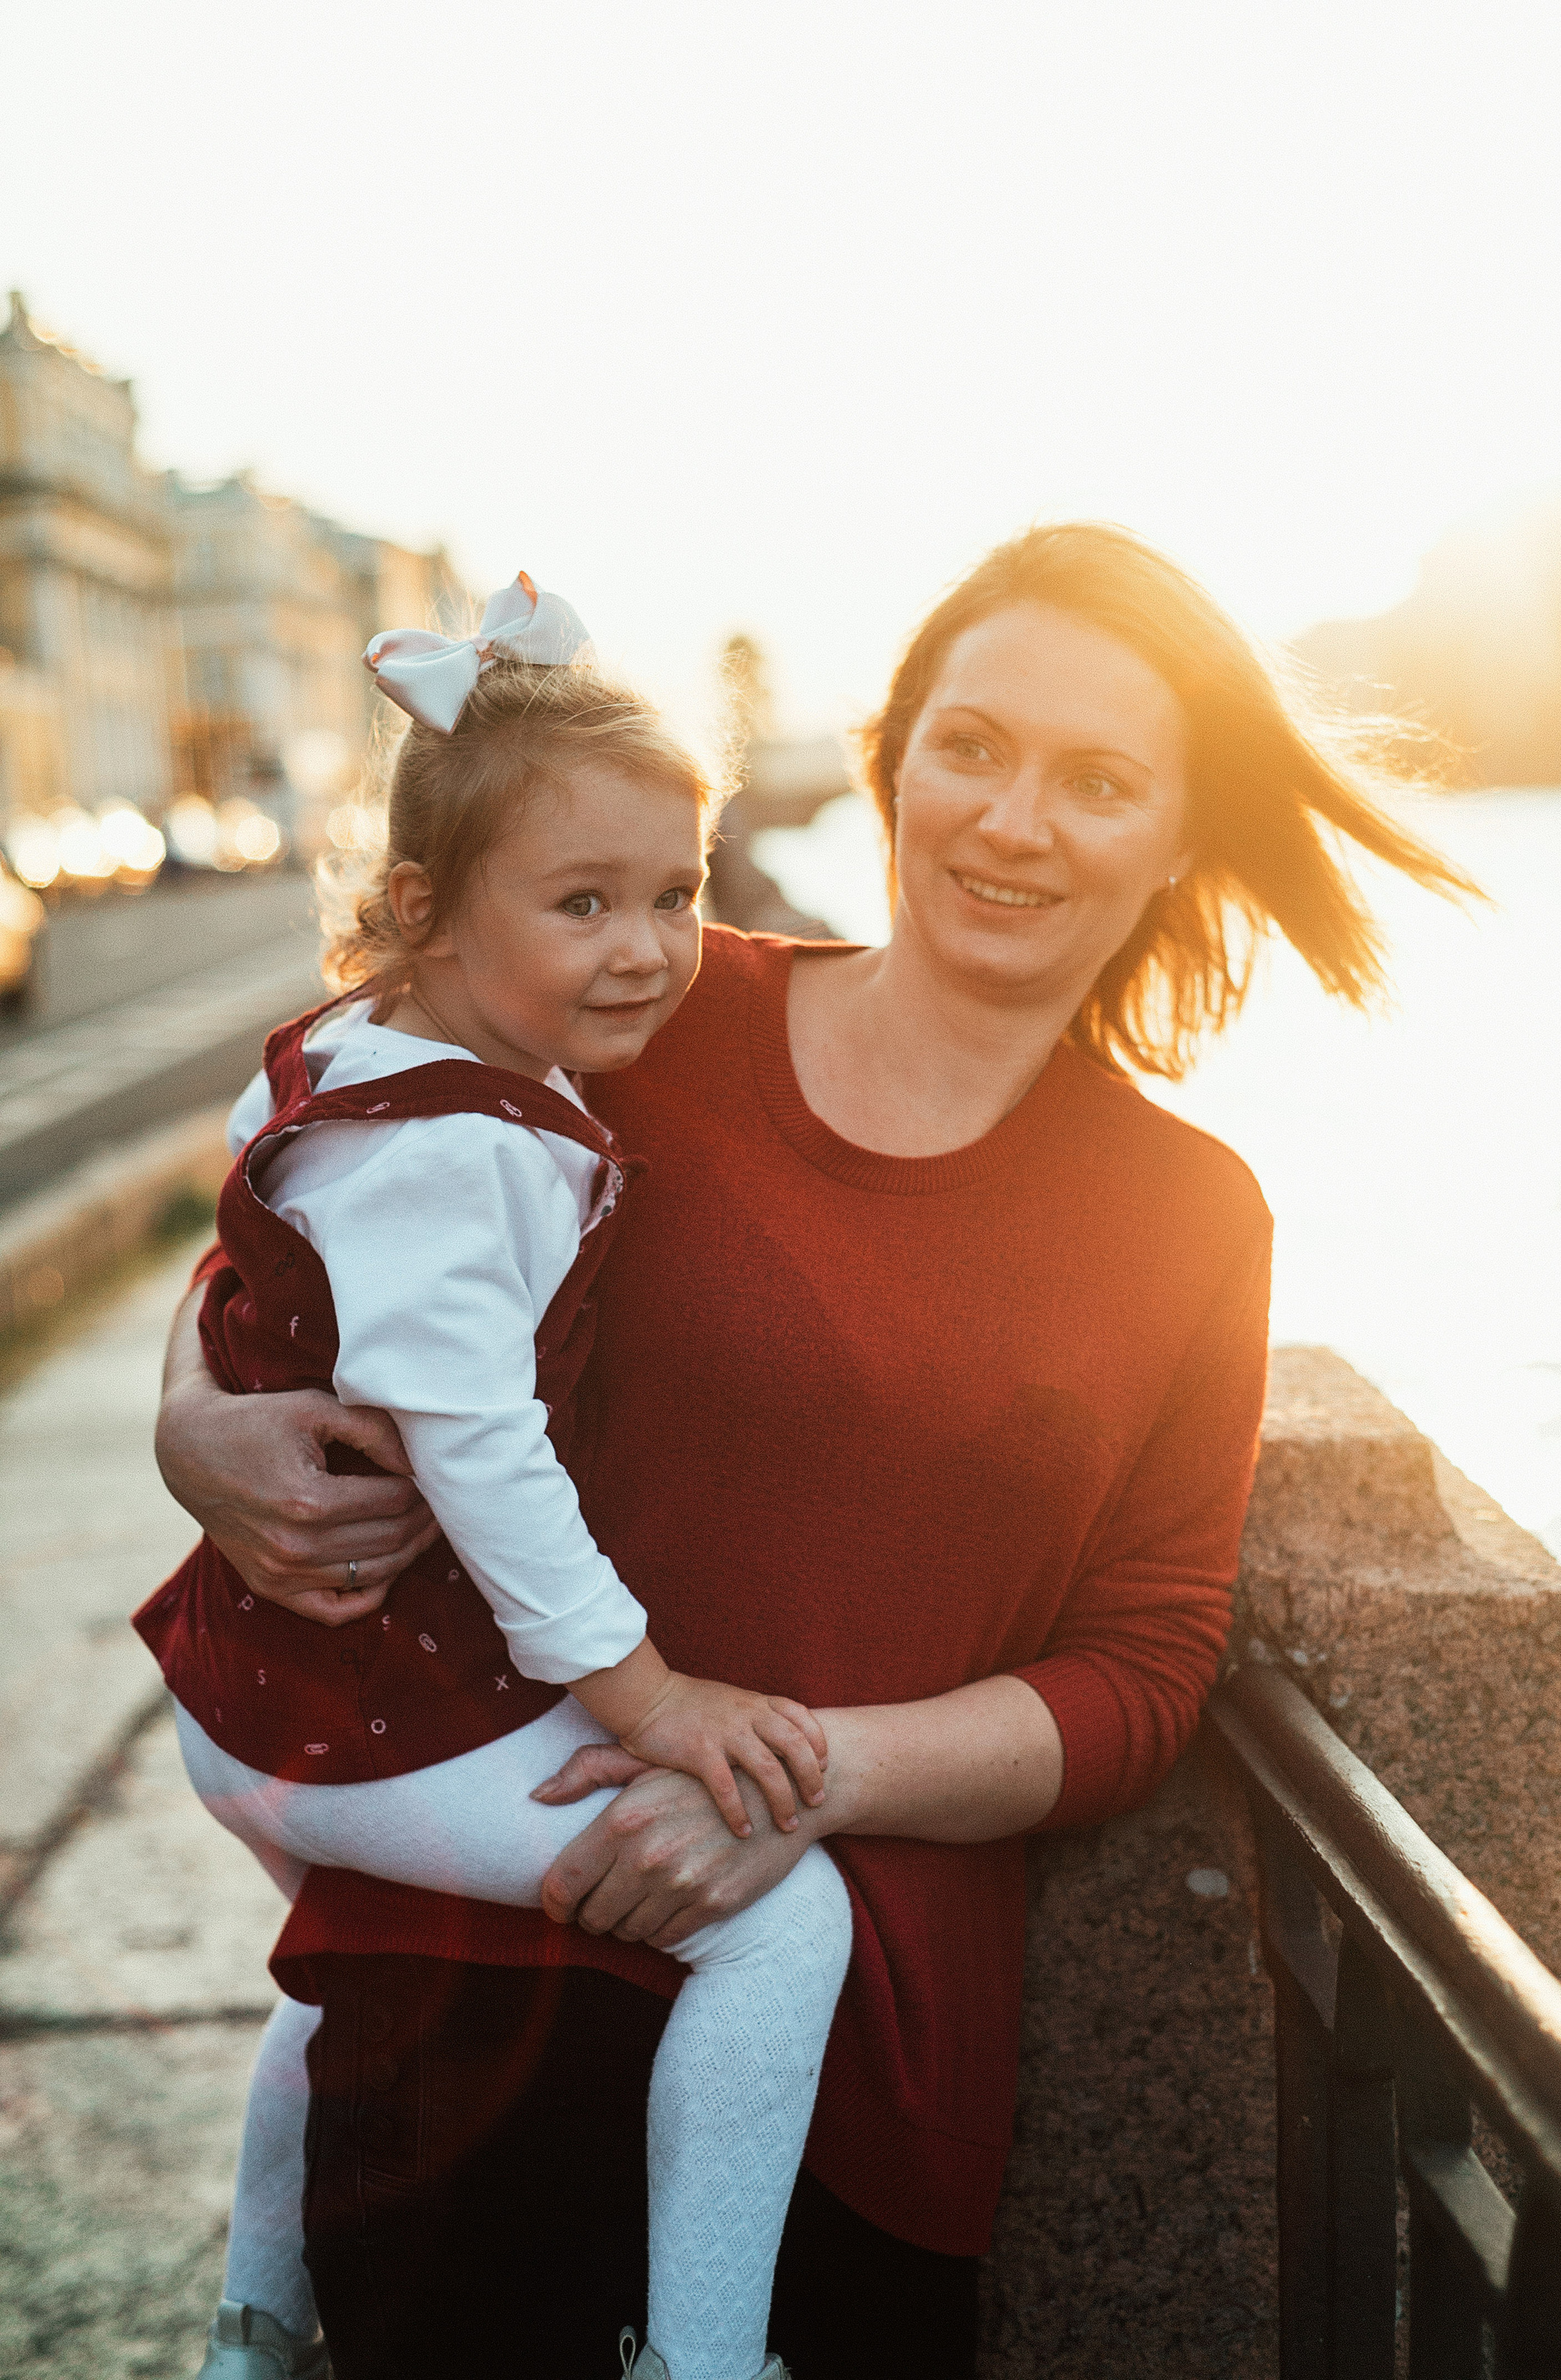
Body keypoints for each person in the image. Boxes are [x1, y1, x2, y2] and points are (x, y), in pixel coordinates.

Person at [155, 525, 1478, 2380]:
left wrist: (785, 1777)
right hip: (476, 1989)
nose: (1015, 820)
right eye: (974, 745)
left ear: (1178, 832)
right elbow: (312, 1195)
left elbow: (1148, 1671)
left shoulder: (1193, 1215)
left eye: (1099, 782)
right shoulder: (648, 1003)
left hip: (859, 2035)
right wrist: (192, 1417)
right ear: (893, 755)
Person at [136, 575, 852, 2380]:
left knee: (349, 1941)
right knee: (785, 1918)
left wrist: (191, 1397)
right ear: (421, 912)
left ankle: (251, 2326)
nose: (651, 949)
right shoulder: (464, 1147)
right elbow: (482, 1450)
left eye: (678, 894)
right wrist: (651, 1694)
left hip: (263, 1692)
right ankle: (705, 2357)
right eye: (585, 903)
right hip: (368, 1704)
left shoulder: (360, 1054)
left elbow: (245, 1255)